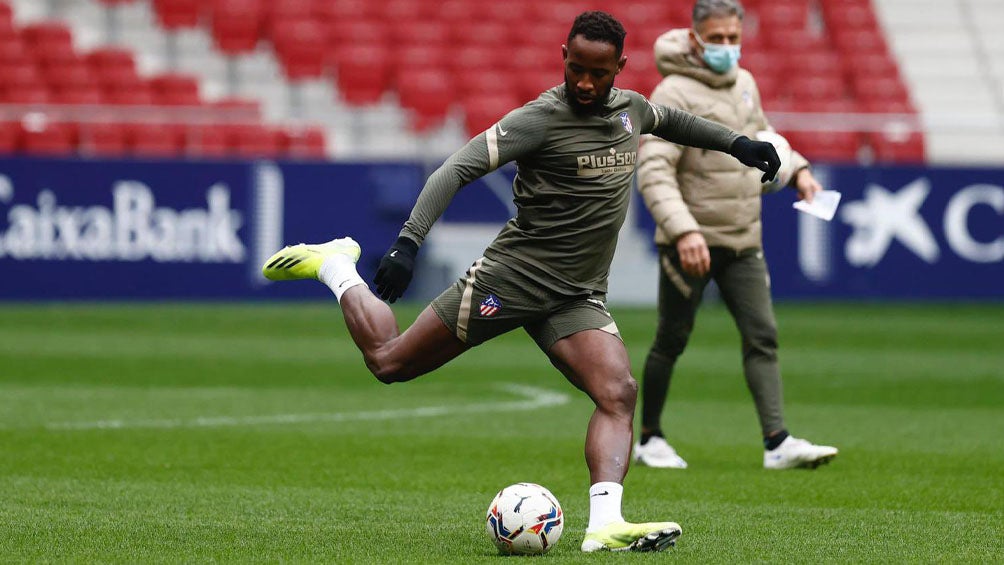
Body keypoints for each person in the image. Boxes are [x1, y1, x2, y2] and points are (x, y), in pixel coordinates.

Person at [262, 11, 779, 552]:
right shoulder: (540, 118)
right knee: (388, 363)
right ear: (563, 56)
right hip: (511, 280)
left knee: (618, 393)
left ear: (618, 68)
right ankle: (336, 266)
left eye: (597, 74)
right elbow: (455, 168)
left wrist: (738, 145)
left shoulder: (632, 110)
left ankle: (604, 524)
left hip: (576, 296)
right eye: (575, 68)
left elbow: (676, 123)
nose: (583, 83)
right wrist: (407, 242)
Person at [632, 0, 838, 471]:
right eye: (717, 38)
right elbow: (656, 170)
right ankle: (650, 437)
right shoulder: (672, 92)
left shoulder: (745, 83)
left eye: (733, 38)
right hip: (693, 242)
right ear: (695, 38)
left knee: (762, 335)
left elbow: (764, 134)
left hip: (744, 236)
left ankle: (776, 441)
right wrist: (684, 231)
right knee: (672, 337)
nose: (727, 47)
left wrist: (800, 171)